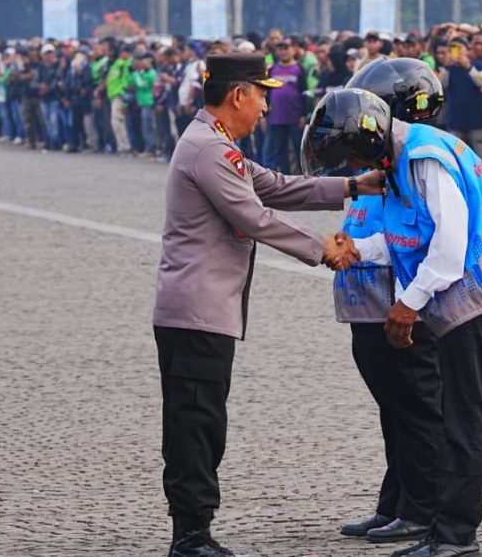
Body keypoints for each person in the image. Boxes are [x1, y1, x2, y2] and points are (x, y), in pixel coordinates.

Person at [303, 88, 482, 557]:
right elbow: (408, 237)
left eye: (356, 155)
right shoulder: (401, 157)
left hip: (477, 287)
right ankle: (445, 527)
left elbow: (449, 244)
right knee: (458, 415)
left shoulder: (424, 158)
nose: (358, 166)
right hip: (457, 285)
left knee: (465, 417)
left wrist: (408, 303)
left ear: (371, 138)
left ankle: (457, 535)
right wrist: (358, 249)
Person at [152, 53, 381, 557]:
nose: (265, 108)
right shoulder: (208, 149)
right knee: (196, 425)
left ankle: (193, 528)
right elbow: (253, 216)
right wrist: (321, 247)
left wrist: (349, 187)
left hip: (205, 309)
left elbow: (273, 186)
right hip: (196, 311)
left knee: (203, 422)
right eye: (261, 95)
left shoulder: (217, 144)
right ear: (238, 95)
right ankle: (190, 535)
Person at [336, 57, 447, 547]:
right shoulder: (385, 160)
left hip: (399, 302)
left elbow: (419, 237)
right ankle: (395, 503)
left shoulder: (414, 160)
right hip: (367, 300)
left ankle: (421, 510)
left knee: (416, 412)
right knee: (394, 412)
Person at [440, 35, 482, 164]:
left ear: (467, 50)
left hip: (476, 120)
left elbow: (481, 82)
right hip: (455, 121)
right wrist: (446, 66)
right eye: (452, 48)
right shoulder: (449, 69)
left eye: (459, 48)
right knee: (456, 158)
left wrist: (468, 66)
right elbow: (441, 85)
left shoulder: (477, 65)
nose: (456, 51)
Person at [261, 40, 307, 173]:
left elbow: (304, 93)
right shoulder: (272, 70)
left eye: (286, 48)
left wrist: (304, 115)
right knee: (279, 152)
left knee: (299, 149)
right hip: (276, 117)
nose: (283, 52)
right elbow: (266, 94)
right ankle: (285, 180)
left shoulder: (299, 69)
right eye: (280, 49)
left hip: (295, 117)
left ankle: (303, 178)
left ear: (293, 50)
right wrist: (264, 115)